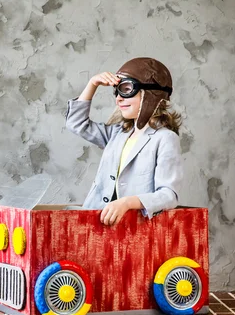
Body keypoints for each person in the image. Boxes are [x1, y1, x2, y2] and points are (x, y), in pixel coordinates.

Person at [65, 57, 183, 226]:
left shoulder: (165, 138)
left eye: (126, 89)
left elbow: (168, 195)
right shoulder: (117, 133)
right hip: (96, 222)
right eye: (117, 92)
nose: (118, 99)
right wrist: (92, 84)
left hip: (131, 228)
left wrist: (127, 203)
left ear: (151, 93)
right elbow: (76, 124)